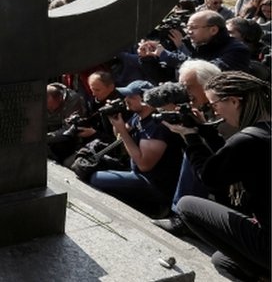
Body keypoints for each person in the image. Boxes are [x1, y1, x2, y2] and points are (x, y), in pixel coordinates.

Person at [168, 72, 270, 281]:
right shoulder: (261, 134)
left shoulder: (247, 140)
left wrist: (191, 138)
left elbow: (210, 178)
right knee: (222, 260)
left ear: (234, 100)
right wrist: (207, 132)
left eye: (214, 105)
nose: (215, 112)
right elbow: (230, 163)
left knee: (186, 205)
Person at [88, 81, 184, 216]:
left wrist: (122, 130)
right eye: (126, 96)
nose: (126, 100)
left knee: (96, 179)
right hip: (136, 172)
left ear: (145, 99)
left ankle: (147, 209)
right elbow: (120, 136)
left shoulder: (156, 125)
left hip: (153, 183)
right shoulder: (138, 116)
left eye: (131, 97)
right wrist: (115, 119)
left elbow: (144, 165)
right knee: (92, 168)